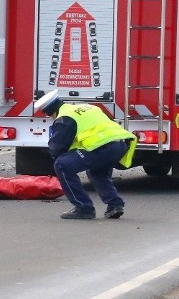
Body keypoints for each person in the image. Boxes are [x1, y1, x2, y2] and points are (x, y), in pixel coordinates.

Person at [34, 89, 137, 220]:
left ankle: (83, 208)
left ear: (50, 112)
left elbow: (57, 148)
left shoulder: (64, 118)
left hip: (101, 146)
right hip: (120, 144)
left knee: (61, 165)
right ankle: (114, 205)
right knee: (97, 173)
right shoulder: (88, 107)